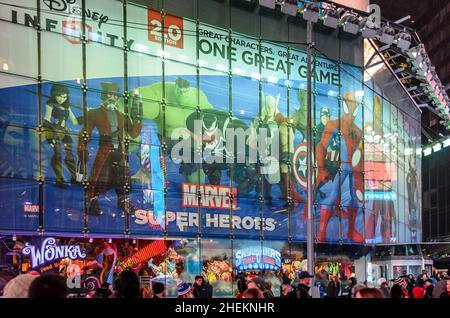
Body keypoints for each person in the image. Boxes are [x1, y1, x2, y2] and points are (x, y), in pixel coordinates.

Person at [77, 82, 142, 216]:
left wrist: (137, 115)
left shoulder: (121, 115)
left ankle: (123, 202)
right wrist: (82, 149)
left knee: (123, 179)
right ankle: (93, 203)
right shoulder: (94, 113)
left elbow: (134, 133)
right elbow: (85, 133)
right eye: (109, 94)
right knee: (99, 178)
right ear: (103, 96)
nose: (112, 97)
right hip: (104, 150)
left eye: (115, 95)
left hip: (119, 151)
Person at [315, 92, 364, 243]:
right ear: (344, 105)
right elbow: (321, 146)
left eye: (353, 103)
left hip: (353, 169)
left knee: (355, 200)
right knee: (333, 195)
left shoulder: (357, 130)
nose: (351, 106)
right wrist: (321, 168)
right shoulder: (335, 124)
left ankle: (350, 231)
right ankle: (321, 231)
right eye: (349, 102)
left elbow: (358, 153)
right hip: (342, 167)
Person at [43, 83, 80, 187]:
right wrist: (49, 137)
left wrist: (89, 113)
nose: (61, 99)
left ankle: (74, 177)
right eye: (59, 96)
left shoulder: (67, 106)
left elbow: (75, 121)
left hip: (64, 132)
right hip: (54, 131)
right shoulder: (50, 104)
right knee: (58, 155)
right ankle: (59, 178)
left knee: (69, 156)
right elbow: (47, 119)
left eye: (64, 96)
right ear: (54, 94)